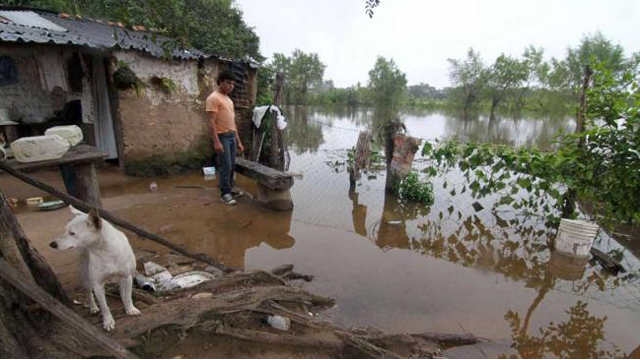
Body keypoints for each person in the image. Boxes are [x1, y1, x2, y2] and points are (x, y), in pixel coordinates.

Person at [206, 70, 244, 205]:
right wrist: (216, 141)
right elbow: (211, 122)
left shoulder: (229, 100)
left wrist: (238, 141)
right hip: (222, 137)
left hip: (231, 136)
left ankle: (230, 188)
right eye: (228, 83)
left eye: (233, 84)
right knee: (225, 165)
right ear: (220, 81)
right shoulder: (213, 98)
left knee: (232, 164)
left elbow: (232, 123)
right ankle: (225, 194)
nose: (231, 86)